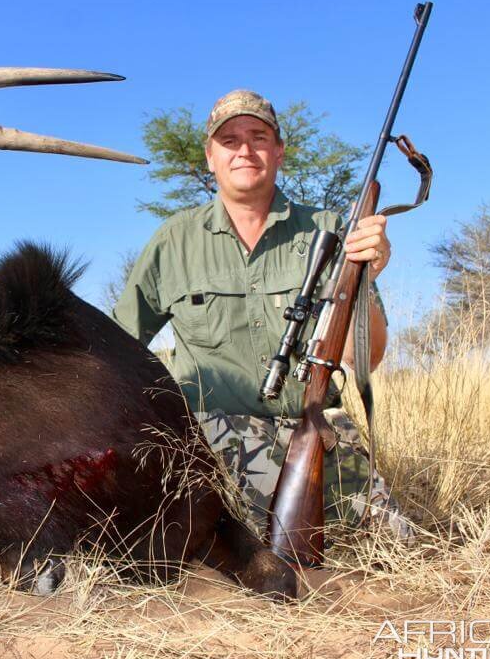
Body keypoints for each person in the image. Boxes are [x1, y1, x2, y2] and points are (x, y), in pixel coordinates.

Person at [112, 89, 412, 540]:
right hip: (208, 440)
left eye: (258, 137)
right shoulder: (173, 241)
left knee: (396, 543)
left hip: (313, 431)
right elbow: (117, 349)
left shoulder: (332, 232)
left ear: (279, 152)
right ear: (210, 156)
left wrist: (366, 277)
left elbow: (364, 359)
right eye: (229, 141)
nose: (245, 151)